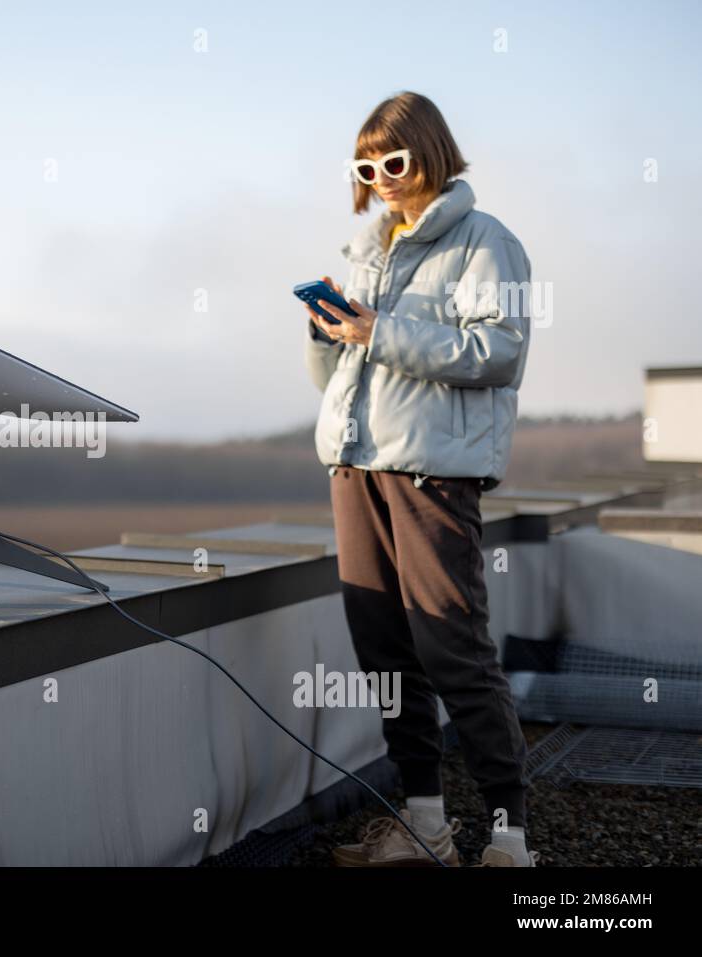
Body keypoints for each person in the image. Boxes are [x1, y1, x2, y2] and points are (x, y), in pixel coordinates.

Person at [303, 91, 538, 867]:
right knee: (385, 651)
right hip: (354, 466)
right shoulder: (367, 251)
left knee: (453, 647)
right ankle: (425, 823)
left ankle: (508, 835)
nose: (383, 175)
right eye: (367, 165)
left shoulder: (486, 242)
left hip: (433, 474)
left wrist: (381, 330)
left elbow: (497, 354)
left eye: (395, 160)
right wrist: (328, 334)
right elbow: (335, 376)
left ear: (431, 151)